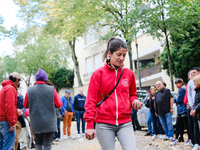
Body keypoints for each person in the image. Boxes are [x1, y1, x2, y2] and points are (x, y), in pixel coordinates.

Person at [83, 37, 142, 150]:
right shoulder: (98, 74)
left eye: (124, 55)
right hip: (104, 123)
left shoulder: (129, 74)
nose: (122, 58)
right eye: (118, 54)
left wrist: (134, 101)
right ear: (110, 53)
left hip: (125, 122)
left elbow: (132, 94)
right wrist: (90, 125)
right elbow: (91, 101)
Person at [23, 69, 63, 150]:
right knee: (47, 144)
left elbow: (25, 105)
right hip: (49, 122)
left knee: (38, 143)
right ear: (45, 78)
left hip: (36, 122)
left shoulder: (30, 90)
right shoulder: (52, 89)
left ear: (36, 78)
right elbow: (59, 105)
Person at [0, 72, 23, 150]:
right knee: (8, 147)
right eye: (19, 80)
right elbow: (9, 106)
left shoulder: (4, 88)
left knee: (2, 146)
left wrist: (16, 110)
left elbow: (5, 106)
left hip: (2, 121)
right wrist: (12, 123)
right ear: (16, 79)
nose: (19, 82)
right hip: (7, 122)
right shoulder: (10, 88)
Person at [171, 78, 191, 145]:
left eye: (178, 83)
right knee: (179, 125)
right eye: (176, 84)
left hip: (183, 109)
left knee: (186, 125)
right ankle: (178, 138)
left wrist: (176, 98)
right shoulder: (180, 89)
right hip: (180, 110)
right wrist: (176, 98)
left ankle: (190, 139)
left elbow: (178, 99)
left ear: (181, 83)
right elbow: (175, 99)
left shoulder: (182, 89)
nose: (177, 85)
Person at [188, 67, 200, 150]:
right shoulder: (195, 88)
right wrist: (192, 107)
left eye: (194, 73)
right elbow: (190, 95)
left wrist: (195, 109)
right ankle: (197, 143)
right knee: (195, 127)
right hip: (195, 108)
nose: (192, 75)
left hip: (197, 109)